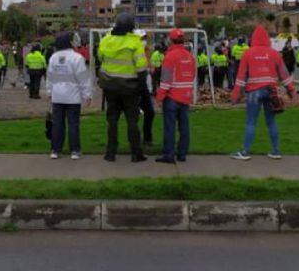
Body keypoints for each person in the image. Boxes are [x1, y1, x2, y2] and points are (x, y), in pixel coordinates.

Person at [230, 26, 295, 160]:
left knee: (251, 122)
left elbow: (241, 77)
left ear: (253, 38)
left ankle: (245, 152)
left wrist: (236, 95)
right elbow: (284, 74)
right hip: (271, 91)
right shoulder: (274, 54)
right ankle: (276, 151)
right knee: (271, 122)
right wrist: (292, 91)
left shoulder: (248, 53)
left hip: (254, 91)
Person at [97, 13, 149, 163]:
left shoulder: (106, 40)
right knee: (132, 121)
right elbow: (141, 68)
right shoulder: (134, 42)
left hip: (110, 87)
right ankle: (136, 153)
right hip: (130, 88)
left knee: (112, 121)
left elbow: (100, 57)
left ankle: (110, 153)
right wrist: (142, 87)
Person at [46, 31, 93, 160]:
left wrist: (49, 92)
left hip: (57, 96)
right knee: (73, 124)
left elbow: (50, 77)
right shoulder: (77, 58)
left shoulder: (54, 58)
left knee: (57, 124)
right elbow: (83, 78)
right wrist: (87, 95)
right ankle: (74, 151)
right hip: (73, 97)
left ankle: (55, 150)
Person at [156, 28, 196, 164]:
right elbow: (193, 75)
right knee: (184, 127)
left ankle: (169, 154)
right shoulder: (190, 56)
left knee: (170, 127)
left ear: (170, 40)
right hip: (185, 96)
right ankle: (182, 154)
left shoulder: (170, 56)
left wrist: (160, 97)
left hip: (172, 97)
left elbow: (165, 79)